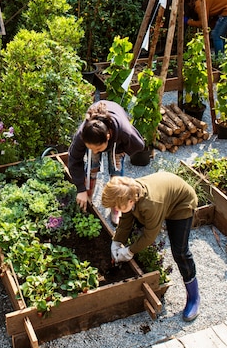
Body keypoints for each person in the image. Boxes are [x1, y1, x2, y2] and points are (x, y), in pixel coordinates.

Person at [101, 172, 200, 322]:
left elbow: (149, 236)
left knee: (180, 252)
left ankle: (194, 297)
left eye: (117, 206)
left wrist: (129, 251)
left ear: (130, 201)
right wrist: (116, 241)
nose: (116, 209)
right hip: (164, 197)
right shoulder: (129, 194)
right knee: (137, 223)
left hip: (181, 204)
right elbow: (126, 220)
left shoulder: (151, 204)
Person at [68, 100, 145, 216]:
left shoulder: (124, 132)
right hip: (99, 134)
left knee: (116, 172)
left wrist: (122, 150)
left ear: (108, 137)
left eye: (98, 149)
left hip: (116, 142)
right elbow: (74, 159)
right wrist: (80, 189)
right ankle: (88, 196)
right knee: (92, 167)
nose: (95, 151)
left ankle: (117, 206)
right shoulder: (82, 134)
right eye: (90, 148)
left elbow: (139, 145)